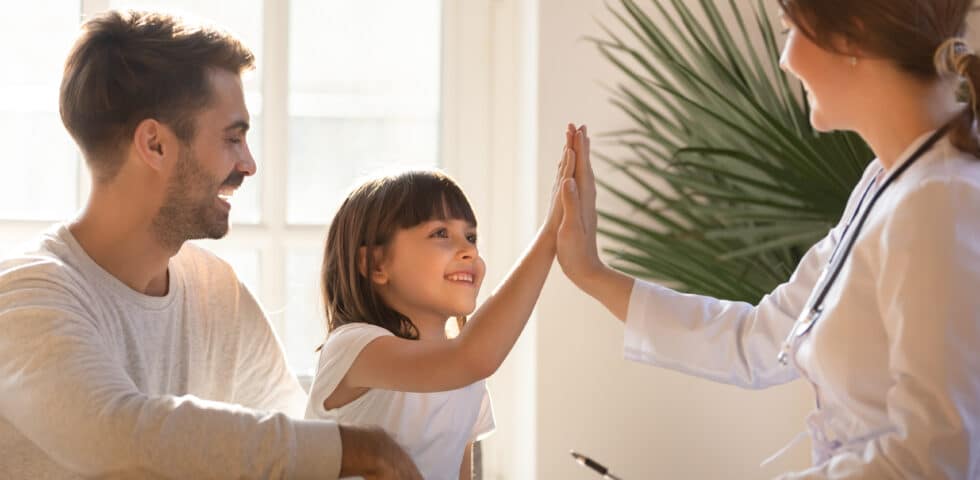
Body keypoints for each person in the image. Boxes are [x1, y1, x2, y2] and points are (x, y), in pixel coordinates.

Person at [554, 0, 980, 478]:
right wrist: (590, 272)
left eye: (789, 31)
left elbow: (934, 460)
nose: (785, 59)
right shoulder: (888, 181)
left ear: (851, 37)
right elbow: (760, 337)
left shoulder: (939, 201)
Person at [0, 10, 420, 479]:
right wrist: (358, 448)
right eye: (232, 138)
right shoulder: (27, 294)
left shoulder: (215, 291)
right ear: (154, 144)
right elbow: (119, 435)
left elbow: (293, 436)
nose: (248, 164)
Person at [304, 143, 574, 479]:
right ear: (375, 264)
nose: (467, 251)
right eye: (441, 233)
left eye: (471, 236)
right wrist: (549, 236)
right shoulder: (353, 347)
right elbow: (472, 356)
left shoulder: (466, 376)